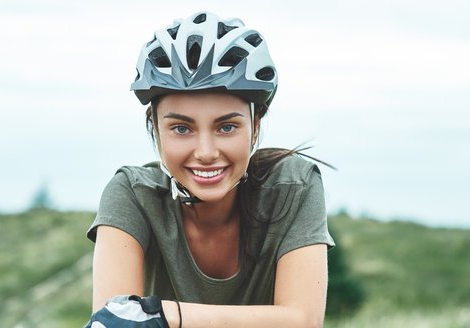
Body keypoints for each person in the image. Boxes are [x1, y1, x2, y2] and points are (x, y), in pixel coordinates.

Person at [84, 11, 335, 328]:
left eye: (227, 127)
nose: (205, 153)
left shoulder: (293, 187)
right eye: (181, 128)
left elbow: (303, 320)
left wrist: (164, 315)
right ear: (156, 130)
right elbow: (115, 321)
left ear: (255, 127)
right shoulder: (133, 195)